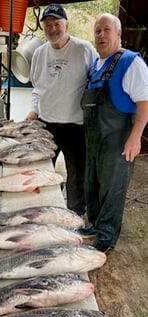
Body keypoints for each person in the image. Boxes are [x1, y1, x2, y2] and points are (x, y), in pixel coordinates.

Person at [79, 13, 148, 253]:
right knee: (93, 185)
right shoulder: (95, 66)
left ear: (119, 34)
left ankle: (107, 237)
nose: (101, 35)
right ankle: (96, 226)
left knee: (113, 189)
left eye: (107, 30)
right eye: (97, 31)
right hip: (95, 141)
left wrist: (136, 136)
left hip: (119, 140)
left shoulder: (131, 62)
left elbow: (144, 103)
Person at [25, 3, 97, 217]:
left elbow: (96, 84)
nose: (53, 29)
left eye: (57, 23)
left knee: (77, 176)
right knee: (42, 173)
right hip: (46, 126)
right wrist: (33, 110)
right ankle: (44, 213)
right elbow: (37, 87)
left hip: (76, 125)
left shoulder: (84, 49)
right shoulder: (39, 53)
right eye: (48, 25)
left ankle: (74, 215)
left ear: (67, 24)